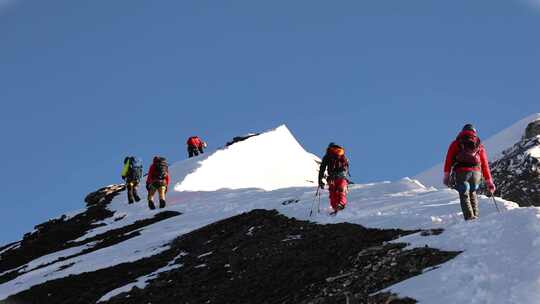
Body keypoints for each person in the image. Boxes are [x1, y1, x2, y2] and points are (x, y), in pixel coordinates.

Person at [443, 124, 496, 220]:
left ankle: (469, 217)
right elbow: (484, 165)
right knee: (472, 192)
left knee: (464, 194)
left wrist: (446, 175)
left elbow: (449, 160)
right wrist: (489, 182)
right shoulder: (479, 145)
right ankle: (475, 216)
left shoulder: (456, 143)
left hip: (461, 172)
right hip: (476, 174)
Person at [318, 143, 350, 214]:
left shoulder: (327, 156)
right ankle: (341, 204)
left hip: (331, 178)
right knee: (341, 190)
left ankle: (335, 207)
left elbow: (322, 168)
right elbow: (346, 166)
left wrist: (320, 180)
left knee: (332, 193)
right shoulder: (341, 154)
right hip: (342, 177)